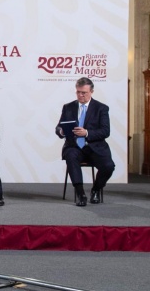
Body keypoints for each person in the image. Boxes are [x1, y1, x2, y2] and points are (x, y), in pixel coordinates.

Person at [55, 77, 115, 207]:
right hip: (74, 146)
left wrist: (87, 133)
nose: (80, 95)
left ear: (91, 91)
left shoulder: (101, 108)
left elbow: (105, 131)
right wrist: (61, 131)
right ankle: (80, 194)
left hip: (95, 147)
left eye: (84, 93)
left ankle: (96, 189)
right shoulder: (68, 107)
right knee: (71, 156)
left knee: (109, 166)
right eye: (78, 92)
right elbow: (59, 127)